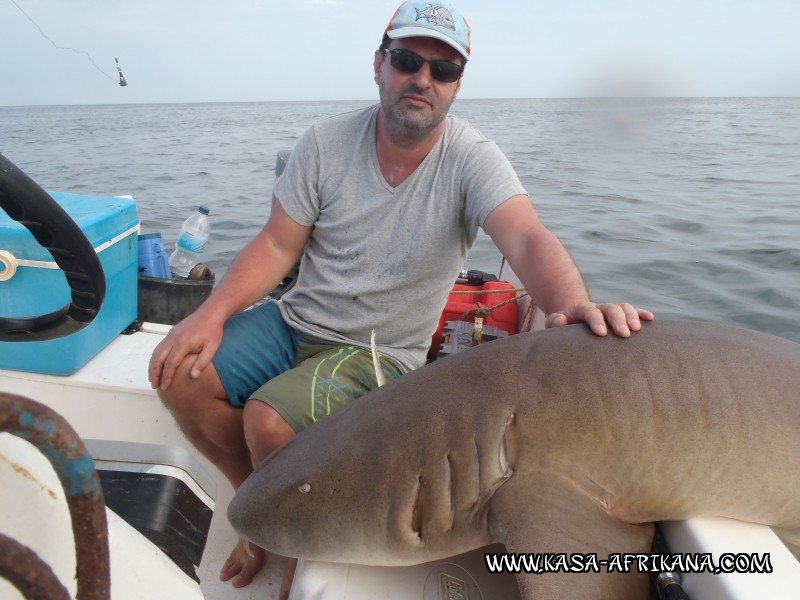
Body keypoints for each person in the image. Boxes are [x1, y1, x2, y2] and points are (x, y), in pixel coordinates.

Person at [148, 0, 654, 594]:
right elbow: (277, 246)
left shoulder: (471, 159)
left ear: (458, 86)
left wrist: (570, 307)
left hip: (378, 349)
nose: (423, 79)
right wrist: (209, 317)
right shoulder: (325, 143)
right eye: (409, 60)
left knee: (268, 421)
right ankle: (258, 514)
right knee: (177, 373)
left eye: (443, 70)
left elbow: (527, 236)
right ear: (379, 64)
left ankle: (285, 535)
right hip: (296, 320)